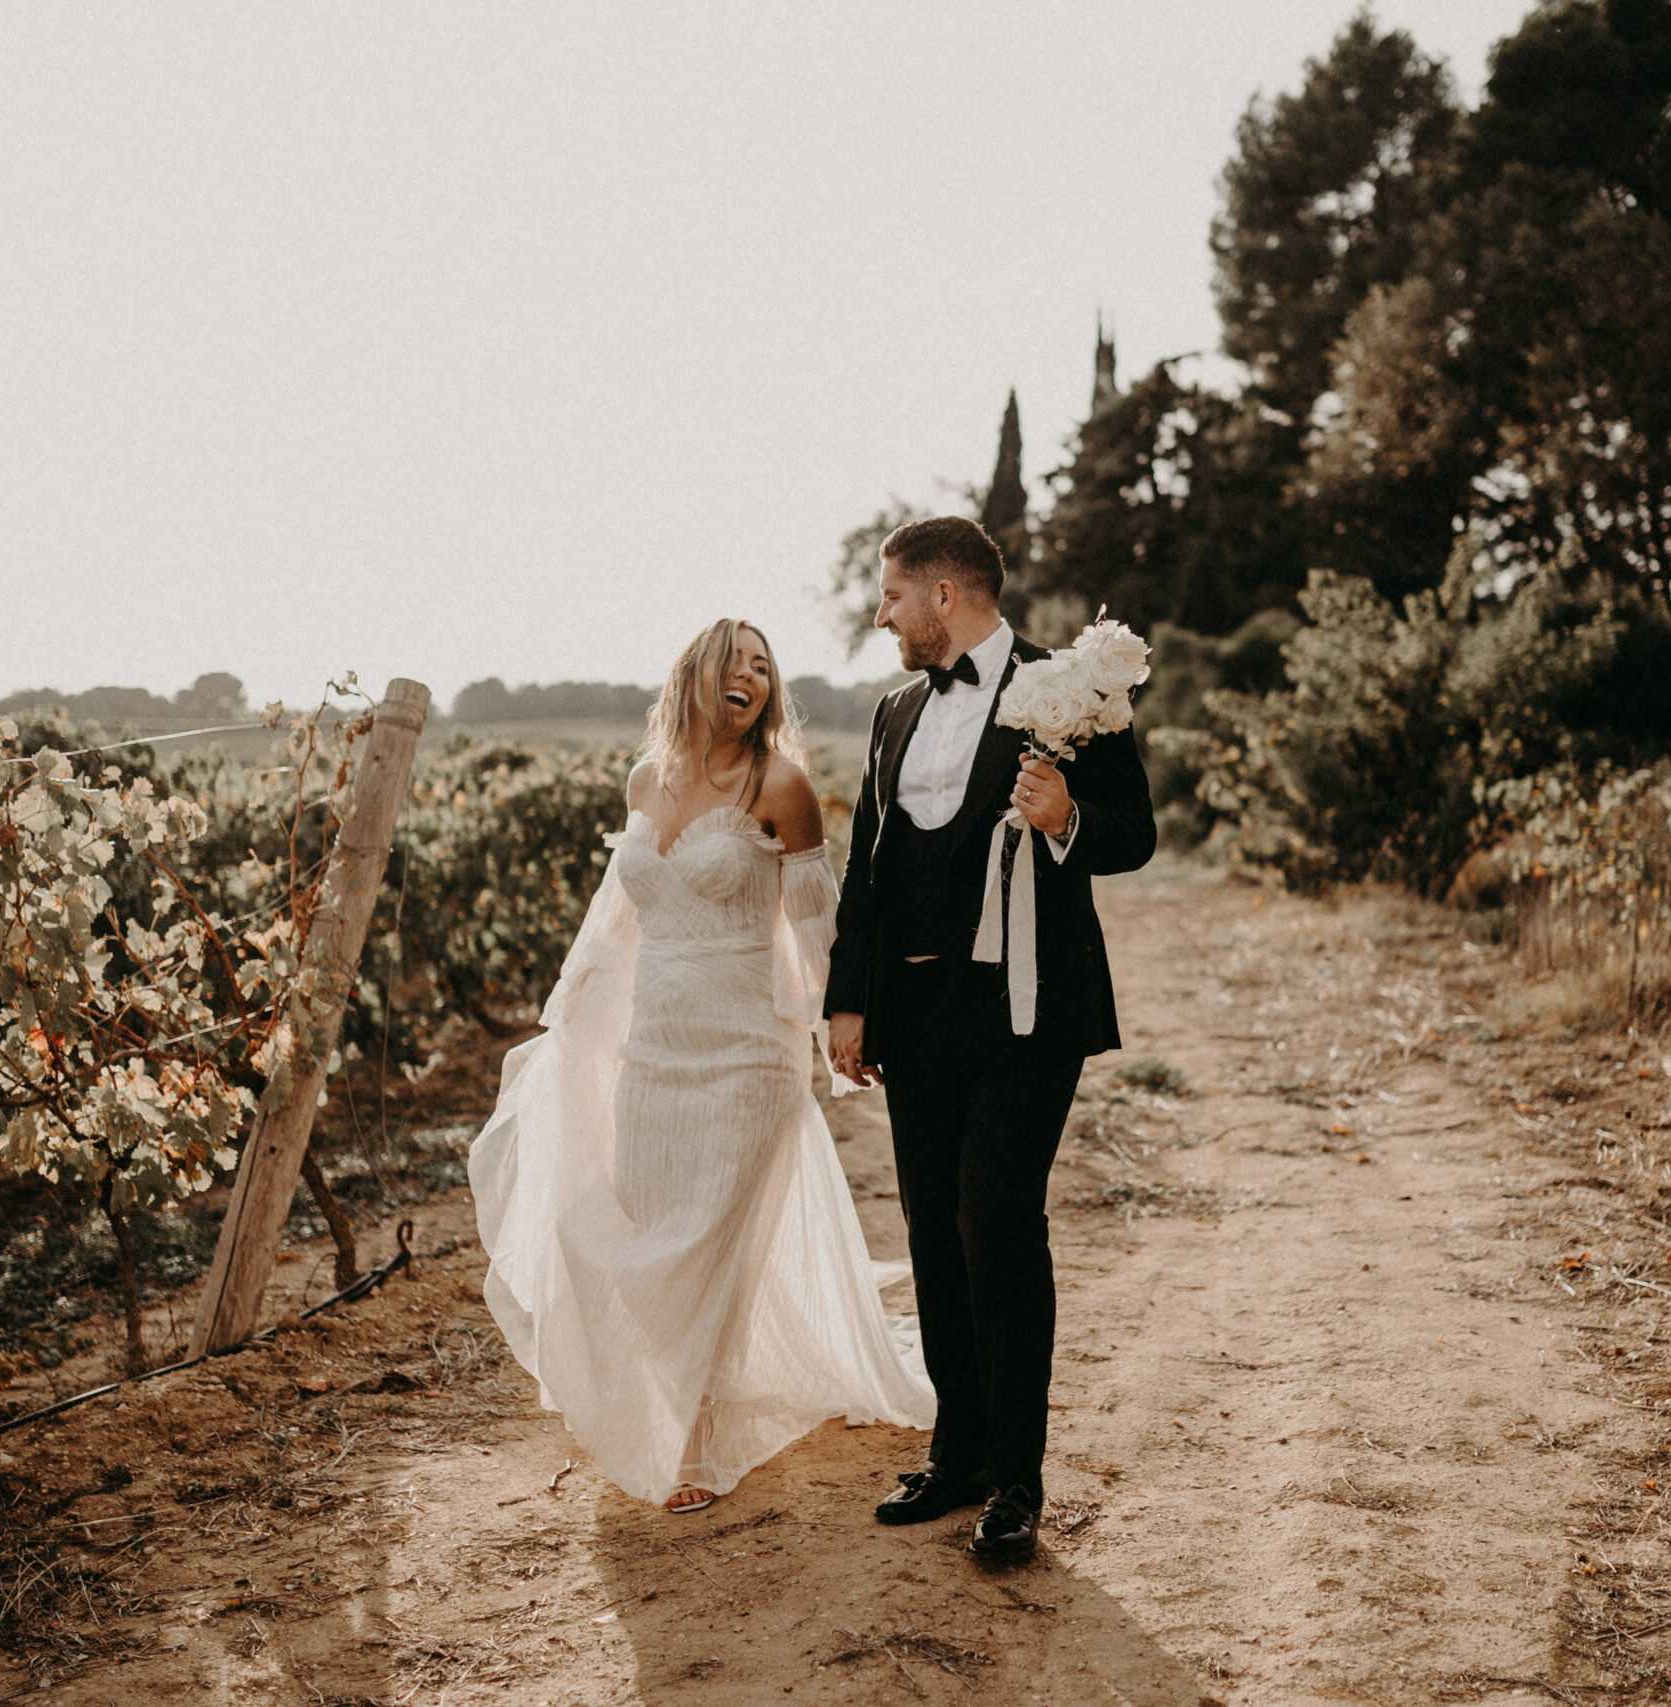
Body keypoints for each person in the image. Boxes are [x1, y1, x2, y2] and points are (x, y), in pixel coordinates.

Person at [466, 618, 931, 1514]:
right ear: (696, 676)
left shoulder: (781, 784)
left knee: (709, 1237)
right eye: (735, 661)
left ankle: (695, 1433)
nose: (751, 677)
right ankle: (662, 1392)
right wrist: (573, 1010)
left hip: (747, 1044)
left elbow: (816, 923)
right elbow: (620, 913)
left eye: (764, 666)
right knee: (645, 1224)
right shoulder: (648, 780)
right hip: (656, 1044)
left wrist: (840, 1024)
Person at [824, 517, 1155, 1564]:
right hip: (912, 1020)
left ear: (943, 597)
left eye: (890, 598)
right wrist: (847, 1002)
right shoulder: (892, 713)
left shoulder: (1073, 688)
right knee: (930, 1231)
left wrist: (1065, 817)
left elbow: (1135, 833)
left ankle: (1016, 1478)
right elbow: (868, 871)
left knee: (996, 1223)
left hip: (1025, 1010)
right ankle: (957, 1451)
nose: (880, 615)